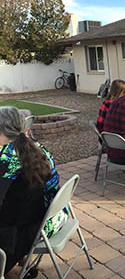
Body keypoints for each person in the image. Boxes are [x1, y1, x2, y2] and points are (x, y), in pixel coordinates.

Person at [0, 107, 67, 279]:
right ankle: (23, 261)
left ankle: (12, 271)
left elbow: (8, 214)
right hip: (54, 216)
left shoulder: (7, 161)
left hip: (32, 228)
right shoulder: (36, 147)